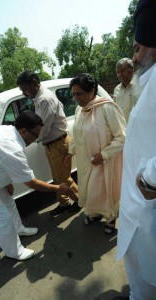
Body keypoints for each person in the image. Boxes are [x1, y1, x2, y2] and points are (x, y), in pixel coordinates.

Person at [0, 111, 77, 261]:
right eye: (35, 135)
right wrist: (59, 188)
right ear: (24, 131)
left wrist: (7, 181)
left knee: (9, 202)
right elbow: (33, 183)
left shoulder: (5, 129)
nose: (36, 140)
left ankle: (19, 229)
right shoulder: (12, 148)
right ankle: (14, 251)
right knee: (2, 219)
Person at [116, 0, 156, 299]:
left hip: (146, 203)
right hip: (135, 203)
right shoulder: (149, 80)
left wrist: (151, 178)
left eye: (139, 48)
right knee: (139, 272)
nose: (135, 54)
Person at [65, 73, 126, 234]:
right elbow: (77, 135)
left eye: (80, 94)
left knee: (106, 191)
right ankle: (95, 214)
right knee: (91, 191)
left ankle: (111, 219)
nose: (77, 98)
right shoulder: (80, 110)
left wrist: (104, 154)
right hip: (86, 162)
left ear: (92, 90)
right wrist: (70, 152)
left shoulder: (107, 107)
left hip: (106, 161)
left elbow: (122, 137)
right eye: (74, 94)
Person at [16, 70, 79, 216]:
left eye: (25, 89)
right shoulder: (39, 98)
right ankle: (64, 202)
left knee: (64, 179)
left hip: (57, 144)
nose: (25, 93)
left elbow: (42, 128)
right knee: (57, 179)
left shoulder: (44, 99)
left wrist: (29, 140)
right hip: (52, 144)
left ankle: (80, 200)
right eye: (22, 91)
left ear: (34, 83)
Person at [113, 57, 141, 123]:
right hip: (123, 129)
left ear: (132, 69)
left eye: (122, 71)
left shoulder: (141, 84)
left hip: (139, 128)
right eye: (118, 72)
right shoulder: (116, 89)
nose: (120, 75)